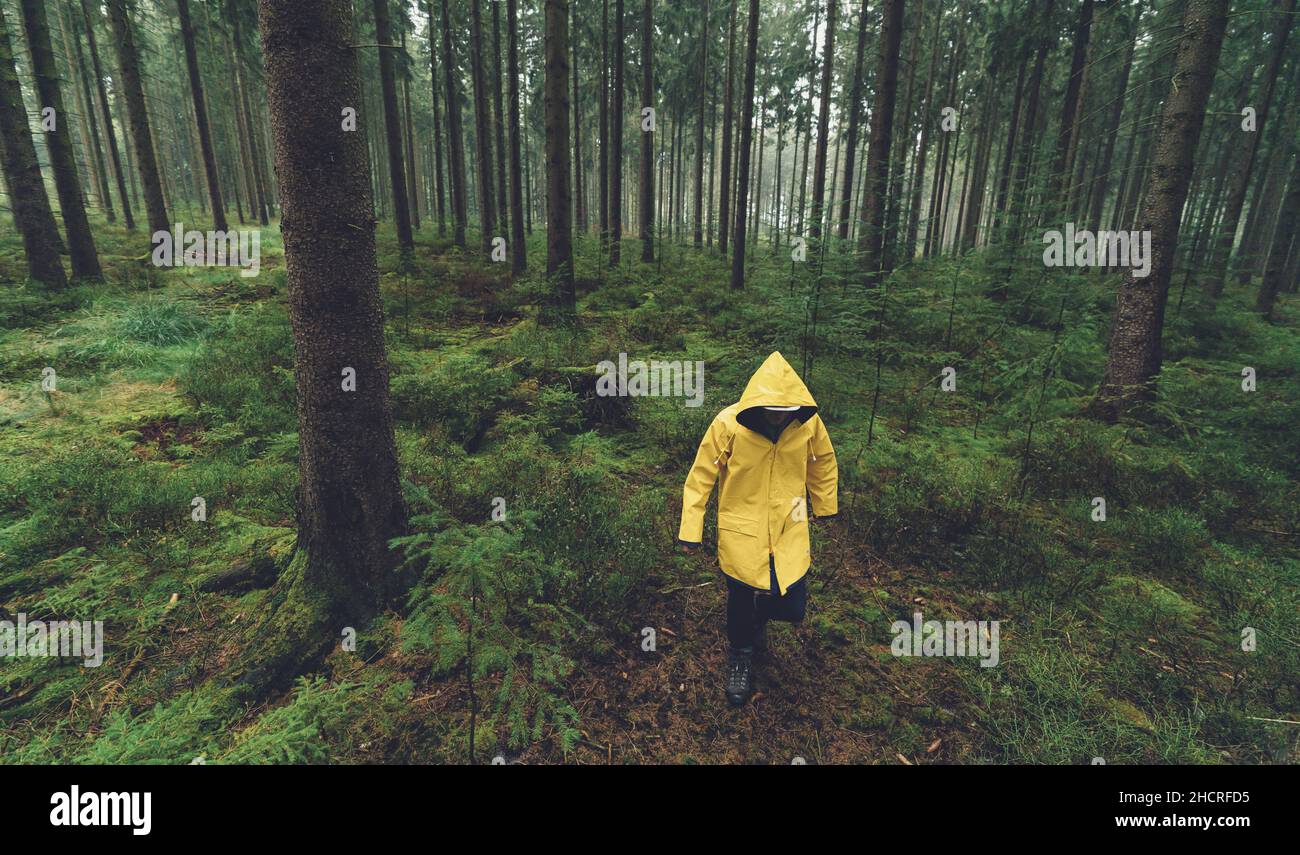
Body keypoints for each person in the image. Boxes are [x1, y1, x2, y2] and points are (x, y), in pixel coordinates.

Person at [677, 351, 838, 705]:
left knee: (793, 607)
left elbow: (822, 462)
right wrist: (691, 529)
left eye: (786, 411)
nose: (780, 417)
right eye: (774, 411)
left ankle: (758, 617)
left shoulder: (808, 424)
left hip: (788, 527)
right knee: (739, 596)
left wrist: (825, 505)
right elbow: (701, 476)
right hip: (742, 529)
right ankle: (741, 655)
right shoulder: (728, 424)